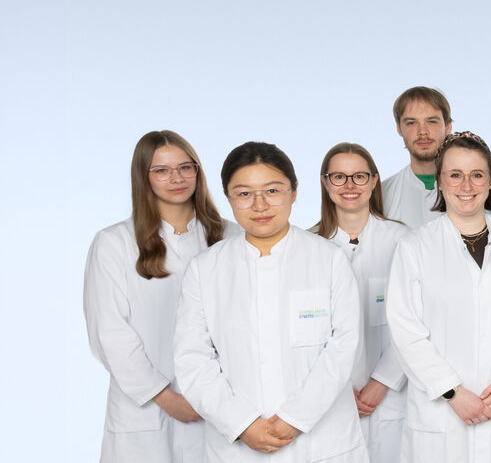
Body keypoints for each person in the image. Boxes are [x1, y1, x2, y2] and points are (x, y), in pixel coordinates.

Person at [174, 141, 366, 462]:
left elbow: (344, 346)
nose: (260, 205)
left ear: (294, 192)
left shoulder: (328, 259)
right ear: (228, 198)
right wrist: (242, 423)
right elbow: (192, 359)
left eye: (273, 191)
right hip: (238, 446)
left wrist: (295, 418)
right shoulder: (205, 269)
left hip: (323, 443)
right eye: (244, 193)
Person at [84, 130, 238, 462]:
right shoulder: (114, 243)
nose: (177, 178)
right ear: (144, 177)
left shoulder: (232, 236)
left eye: (186, 167)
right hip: (146, 416)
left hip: (221, 409)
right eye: (162, 170)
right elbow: (109, 333)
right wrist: (167, 398)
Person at [386, 131, 491, 462]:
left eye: (476, 175)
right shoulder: (414, 248)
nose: (466, 186)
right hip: (440, 415)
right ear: (440, 182)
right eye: (455, 175)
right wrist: (452, 392)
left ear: (490, 181)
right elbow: (405, 331)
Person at [313, 142, 410, 462]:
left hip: (392, 396)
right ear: (326, 184)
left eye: (359, 176)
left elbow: (414, 321)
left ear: (374, 181)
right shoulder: (307, 246)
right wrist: (337, 390)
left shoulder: (403, 241)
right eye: (339, 177)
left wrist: (382, 382)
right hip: (329, 399)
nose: (350, 185)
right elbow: (305, 334)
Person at [382, 86, 453, 228]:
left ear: (448, 126)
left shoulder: (475, 190)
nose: (422, 132)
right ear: (399, 129)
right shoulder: (381, 195)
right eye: (411, 123)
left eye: (432, 121)